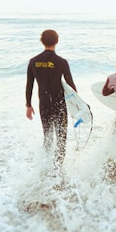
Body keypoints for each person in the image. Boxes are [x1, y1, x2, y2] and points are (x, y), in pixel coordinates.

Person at [25, 29, 76, 169]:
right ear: (57, 41)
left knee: (47, 136)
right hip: (59, 104)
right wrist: (77, 106)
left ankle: (45, 167)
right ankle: (58, 169)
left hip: (44, 105)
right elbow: (71, 86)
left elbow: (29, 85)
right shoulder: (62, 62)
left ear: (42, 41)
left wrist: (28, 105)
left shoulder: (33, 62)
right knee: (61, 138)